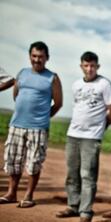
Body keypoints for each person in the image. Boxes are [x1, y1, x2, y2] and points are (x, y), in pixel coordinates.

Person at [56, 51, 111, 222]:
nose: (89, 69)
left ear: (97, 66)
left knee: (87, 175)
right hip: (73, 134)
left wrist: (99, 128)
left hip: (91, 138)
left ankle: (86, 211)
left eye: (93, 66)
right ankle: (72, 205)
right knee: (72, 173)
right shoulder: (76, 84)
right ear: (81, 66)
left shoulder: (104, 84)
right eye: (86, 65)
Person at [0, 41, 63, 208]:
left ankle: (28, 195)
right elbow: (16, 96)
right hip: (17, 124)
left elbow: (58, 103)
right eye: (34, 56)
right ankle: (11, 193)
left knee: (34, 162)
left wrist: (42, 118)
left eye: (41, 57)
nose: (37, 60)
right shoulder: (22, 73)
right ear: (29, 56)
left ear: (47, 58)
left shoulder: (53, 78)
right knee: (13, 160)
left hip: (38, 128)